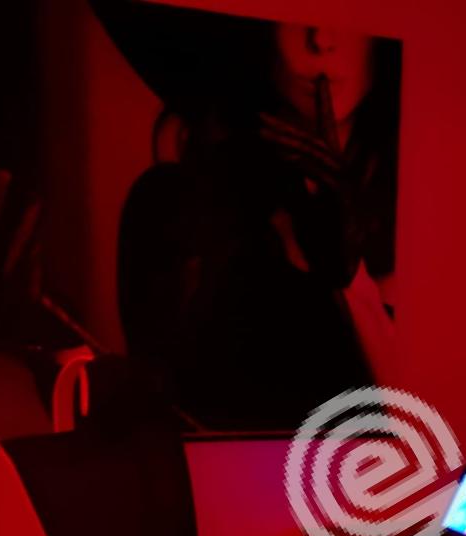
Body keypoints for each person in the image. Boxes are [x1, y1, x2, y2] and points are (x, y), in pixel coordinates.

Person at [110, 13, 401, 431]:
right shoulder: (176, 209)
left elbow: (432, 431)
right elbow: (169, 416)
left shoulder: (436, 205)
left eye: (350, 8)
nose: (321, 38)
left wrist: (351, 282)